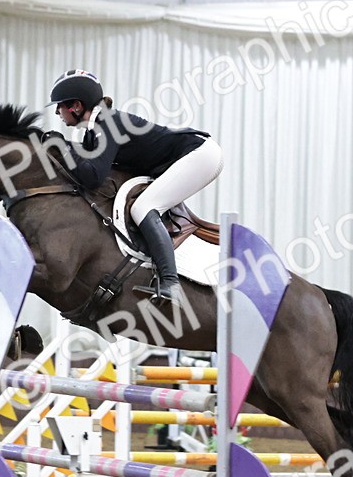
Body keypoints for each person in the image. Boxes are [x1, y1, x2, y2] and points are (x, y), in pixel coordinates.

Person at [48, 69, 223, 307]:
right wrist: (59, 145)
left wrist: (61, 146)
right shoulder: (96, 129)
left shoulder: (107, 123)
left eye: (59, 106)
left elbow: (93, 177)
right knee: (145, 205)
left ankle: (170, 282)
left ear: (76, 106)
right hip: (192, 154)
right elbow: (86, 159)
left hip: (200, 154)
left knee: (143, 207)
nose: (57, 112)